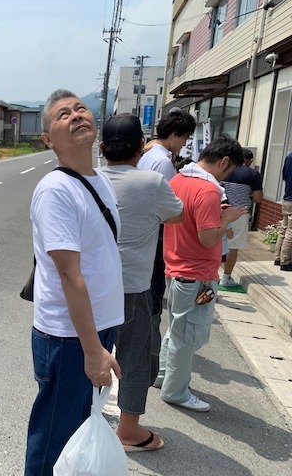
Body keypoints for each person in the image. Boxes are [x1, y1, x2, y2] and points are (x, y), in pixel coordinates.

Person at [25, 89, 124, 475]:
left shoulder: (99, 180)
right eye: (63, 114)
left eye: (81, 108)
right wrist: (93, 350)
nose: (77, 115)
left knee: (77, 431)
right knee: (54, 436)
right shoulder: (56, 190)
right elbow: (69, 274)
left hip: (95, 327)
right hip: (69, 336)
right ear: (48, 139)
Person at [101, 114, 183, 452]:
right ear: (140, 146)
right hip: (133, 286)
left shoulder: (89, 180)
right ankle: (129, 430)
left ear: (102, 148)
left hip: (89, 288)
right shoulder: (152, 182)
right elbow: (177, 214)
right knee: (134, 357)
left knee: (87, 352)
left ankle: (79, 418)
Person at [154, 136, 247, 412]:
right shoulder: (208, 190)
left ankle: (163, 376)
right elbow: (208, 239)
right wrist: (226, 220)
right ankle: (176, 391)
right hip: (196, 274)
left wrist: (216, 216)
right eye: (229, 171)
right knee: (188, 336)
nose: (227, 177)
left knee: (177, 330)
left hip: (175, 267)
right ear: (224, 162)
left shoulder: (179, 180)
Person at [137, 110, 197, 332]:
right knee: (154, 286)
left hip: (144, 227)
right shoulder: (163, 162)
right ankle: (150, 334)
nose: (184, 144)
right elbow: (171, 204)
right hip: (157, 231)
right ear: (174, 134)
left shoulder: (148, 156)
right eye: (185, 138)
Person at [221, 148, 263, 284]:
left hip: (221, 210)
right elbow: (258, 197)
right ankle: (226, 278)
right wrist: (247, 196)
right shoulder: (253, 174)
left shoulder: (225, 169)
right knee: (233, 246)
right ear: (250, 160)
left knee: (217, 243)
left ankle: (211, 275)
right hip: (239, 213)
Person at [275, 151, 292, 270]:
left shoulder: (288, 156)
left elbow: (284, 176)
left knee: (284, 229)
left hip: (287, 198)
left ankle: (277, 257)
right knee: (290, 232)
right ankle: (285, 261)